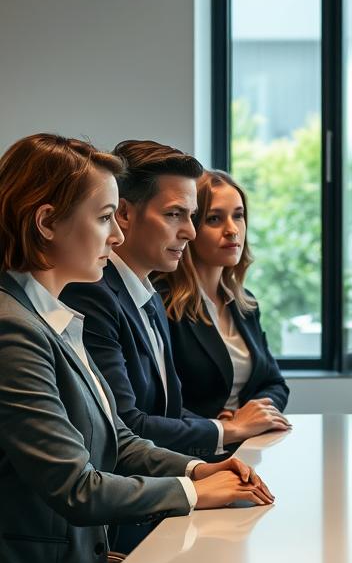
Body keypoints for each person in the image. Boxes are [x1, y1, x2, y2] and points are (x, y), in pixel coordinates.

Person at [0, 134, 273, 563]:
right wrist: (192, 492)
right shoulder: (14, 329)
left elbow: (118, 439)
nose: (117, 236)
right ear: (47, 222)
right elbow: (76, 487)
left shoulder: (53, 315)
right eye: (105, 218)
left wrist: (197, 469)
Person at [63, 140, 288, 465]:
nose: (190, 232)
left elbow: (168, 409)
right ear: (124, 213)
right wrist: (226, 431)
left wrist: (221, 428)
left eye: (192, 216)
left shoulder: (148, 298)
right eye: (174, 214)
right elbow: (126, 424)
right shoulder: (95, 294)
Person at [156, 170, 290, 420]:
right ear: (190, 227)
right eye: (215, 219)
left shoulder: (244, 302)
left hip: (248, 441)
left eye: (238, 216)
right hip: (195, 451)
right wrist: (222, 428)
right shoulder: (162, 302)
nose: (232, 230)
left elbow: (275, 383)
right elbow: (160, 403)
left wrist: (253, 416)